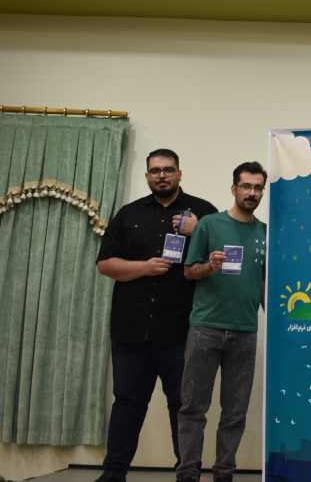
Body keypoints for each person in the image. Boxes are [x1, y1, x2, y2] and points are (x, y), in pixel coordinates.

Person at [94, 149, 216, 482]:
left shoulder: (203, 212)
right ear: (147, 176)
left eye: (168, 169)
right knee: (127, 404)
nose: (162, 175)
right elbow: (105, 264)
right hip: (131, 331)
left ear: (179, 173)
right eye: (155, 170)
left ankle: (187, 475)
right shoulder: (128, 214)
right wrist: (144, 267)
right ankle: (113, 475)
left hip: (183, 332)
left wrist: (199, 231)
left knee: (183, 407)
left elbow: (224, 260)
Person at [175, 161, 268, 482]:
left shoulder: (265, 232)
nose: (252, 192)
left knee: (235, 412)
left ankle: (224, 473)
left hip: (245, 333)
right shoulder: (209, 225)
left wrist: (277, 322)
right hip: (205, 329)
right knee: (193, 408)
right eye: (246, 186)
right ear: (234, 189)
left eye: (258, 188)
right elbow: (189, 271)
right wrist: (209, 267)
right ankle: (188, 473)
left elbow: (263, 282)